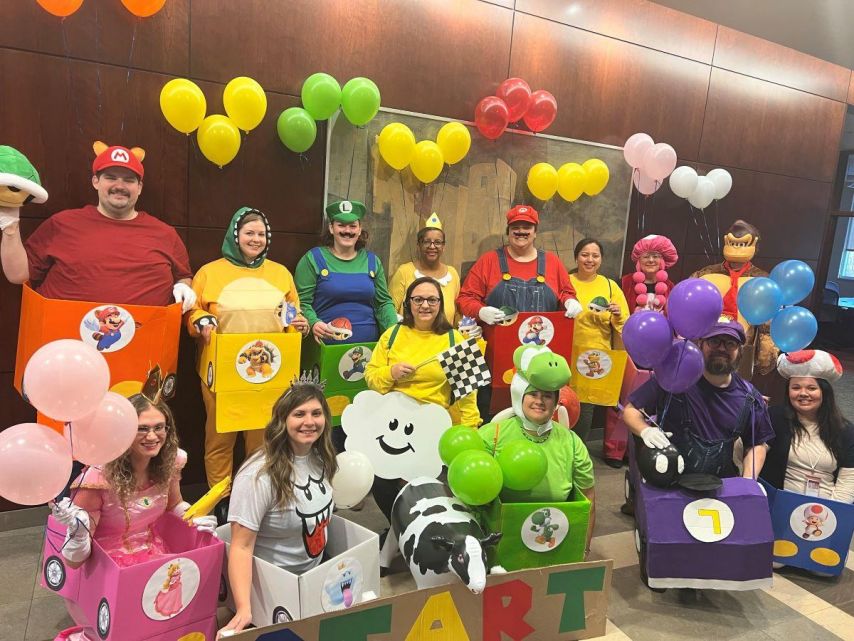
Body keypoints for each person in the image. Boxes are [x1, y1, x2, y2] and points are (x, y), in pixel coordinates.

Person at [49, 391, 216, 641]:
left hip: (153, 557)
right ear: (123, 432)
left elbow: (174, 504)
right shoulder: (98, 479)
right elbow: (75, 561)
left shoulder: (168, 465)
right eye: (142, 429)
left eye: (159, 427)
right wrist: (78, 532)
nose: (152, 436)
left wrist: (193, 517)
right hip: (104, 571)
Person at [186, 207, 310, 522]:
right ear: (235, 235)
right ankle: (221, 498)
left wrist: (299, 324)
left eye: (261, 234)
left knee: (261, 438)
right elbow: (192, 311)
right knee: (220, 437)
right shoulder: (209, 272)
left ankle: (253, 495)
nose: (255, 239)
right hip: (222, 372)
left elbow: (291, 312)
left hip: (268, 373)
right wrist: (200, 321)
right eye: (249, 233)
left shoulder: (281, 273)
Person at [1, 142, 195, 310]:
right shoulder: (62, 224)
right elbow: (17, 275)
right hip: (66, 343)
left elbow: (184, 276)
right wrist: (10, 226)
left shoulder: (165, 234)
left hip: (144, 345)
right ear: (95, 181)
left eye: (129, 180)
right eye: (111, 177)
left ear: (140, 188)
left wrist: (183, 286)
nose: (120, 185)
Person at [221, 375, 337, 636]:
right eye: (299, 414)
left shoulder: (322, 456)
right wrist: (243, 609)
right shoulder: (258, 475)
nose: (309, 422)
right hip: (272, 592)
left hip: (315, 580)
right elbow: (241, 545)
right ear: (282, 420)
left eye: (316, 413)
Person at [365, 276, 481, 519]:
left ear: (441, 303)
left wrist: (470, 431)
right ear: (408, 303)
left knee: (425, 491)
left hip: (433, 430)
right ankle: (397, 528)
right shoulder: (392, 335)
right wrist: (391, 373)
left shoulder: (454, 340)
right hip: (390, 426)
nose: (425, 305)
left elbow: (468, 394)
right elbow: (371, 377)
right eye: (418, 299)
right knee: (382, 484)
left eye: (431, 300)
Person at [623, 318, 774, 481]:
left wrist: (748, 481)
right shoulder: (673, 376)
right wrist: (645, 430)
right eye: (714, 341)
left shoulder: (750, 397)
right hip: (669, 482)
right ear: (700, 344)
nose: (722, 348)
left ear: (739, 351)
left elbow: (757, 443)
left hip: (721, 486)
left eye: (731, 343)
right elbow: (631, 410)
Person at [479, 345, 595, 553]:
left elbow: (588, 498)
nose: (540, 401)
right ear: (520, 395)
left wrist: (582, 549)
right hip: (501, 542)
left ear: (555, 401)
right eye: (533, 394)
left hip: (556, 542)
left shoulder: (571, 441)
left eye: (548, 396)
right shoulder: (492, 434)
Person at [295, 199, 397, 345]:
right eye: (341, 225)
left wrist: (393, 332)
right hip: (326, 346)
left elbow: (383, 303)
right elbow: (301, 302)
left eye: (352, 226)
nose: (347, 231)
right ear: (331, 228)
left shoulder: (372, 262)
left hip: (370, 347)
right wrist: (313, 322)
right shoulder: (312, 259)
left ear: (360, 229)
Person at [457, 204, 581, 324]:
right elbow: (466, 299)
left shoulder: (553, 262)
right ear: (508, 232)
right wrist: (480, 311)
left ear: (535, 232)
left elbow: (566, 293)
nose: (521, 231)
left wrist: (570, 301)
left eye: (527, 227)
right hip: (497, 342)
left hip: (542, 343)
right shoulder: (488, 261)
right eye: (515, 227)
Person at [761, 350, 854, 502]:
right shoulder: (775, 417)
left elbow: (849, 481)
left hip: (826, 510)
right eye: (796, 388)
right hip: (778, 504)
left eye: (811, 388)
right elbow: (755, 450)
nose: (803, 393)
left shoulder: (845, 431)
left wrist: (828, 512)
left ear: (824, 392)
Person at [691, 219, 778, 380]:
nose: (737, 247)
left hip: (741, 344)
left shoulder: (762, 280)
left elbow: (768, 321)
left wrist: (765, 353)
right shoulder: (705, 274)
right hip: (707, 341)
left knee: (735, 387)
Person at [569, 238, 629, 450]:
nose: (590, 259)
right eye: (585, 254)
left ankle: (578, 454)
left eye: (595, 255)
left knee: (584, 411)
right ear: (576, 257)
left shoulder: (610, 286)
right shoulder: (566, 282)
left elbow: (624, 326)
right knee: (559, 406)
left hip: (594, 359)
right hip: (565, 355)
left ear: (601, 259)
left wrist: (618, 314)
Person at [389, 213, 461, 325]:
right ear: (418, 245)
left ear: (443, 246)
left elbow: (457, 312)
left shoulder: (452, 274)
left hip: (444, 340)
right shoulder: (404, 272)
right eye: (427, 242)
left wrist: (464, 327)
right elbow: (389, 310)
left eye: (437, 242)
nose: (432, 246)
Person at [620, 234, 678, 314]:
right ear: (638, 260)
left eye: (655, 256)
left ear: (662, 261)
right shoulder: (624, 283)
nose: (651, 260)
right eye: (646, 257)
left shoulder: (670, 287)